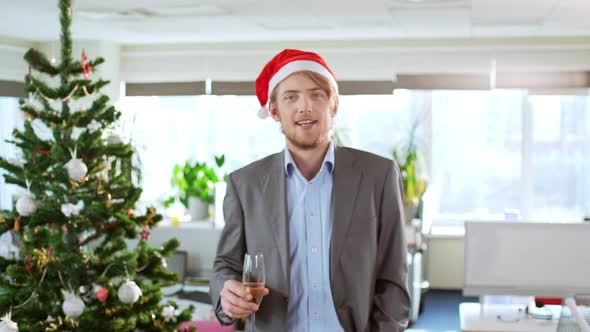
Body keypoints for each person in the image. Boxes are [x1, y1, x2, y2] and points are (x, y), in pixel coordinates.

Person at [210, 49, 410, 332]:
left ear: (334, 105)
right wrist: (226, 294)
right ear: (275, 110)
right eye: (291, 97)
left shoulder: (379, 176)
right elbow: (225, 265)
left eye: (317, 94)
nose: (305, 107)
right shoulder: (245, 184)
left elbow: (393, 278)